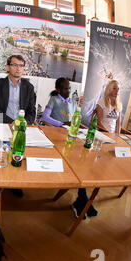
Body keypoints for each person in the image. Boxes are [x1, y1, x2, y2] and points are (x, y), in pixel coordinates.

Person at [41, 78, 98, 218]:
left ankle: (82, 199)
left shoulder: (72, 101)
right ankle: (82, 200)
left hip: (71, 137)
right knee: (78, 164)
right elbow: (45, 117)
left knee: (82, 162)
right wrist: (61, 123)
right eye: (65, 88)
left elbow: (74, 118)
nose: (68, 90)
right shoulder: (54, 100)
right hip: (58, 137)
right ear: (58, 90)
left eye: (69, 88)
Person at [0, 54, 36, 124]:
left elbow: (31, 112)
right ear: (8, 67)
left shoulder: (29, 87)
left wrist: (23, 123)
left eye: (21, 66)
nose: (18, 68)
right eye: (15, 65)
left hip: (22, 126)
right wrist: (13, 123)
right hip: (2, 124)